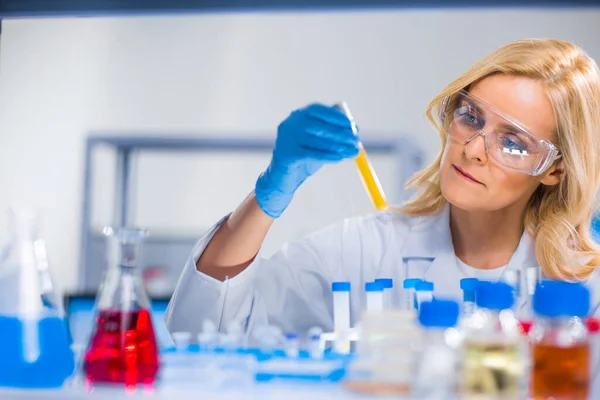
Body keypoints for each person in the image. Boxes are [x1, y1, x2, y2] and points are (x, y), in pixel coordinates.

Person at [165, 38, 600, 340]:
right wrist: (269, 194)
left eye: (512, 142)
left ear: (555, 170)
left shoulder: (587, 286)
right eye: (471, 116)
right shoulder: (367, 249)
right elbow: (203, 327)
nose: (473, 150)